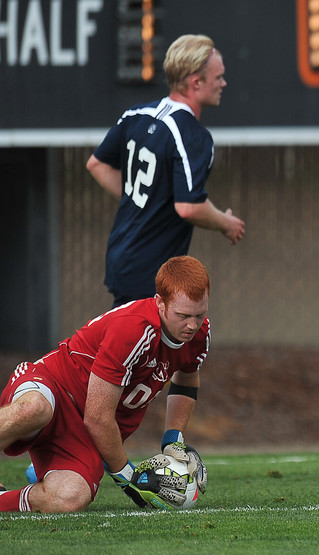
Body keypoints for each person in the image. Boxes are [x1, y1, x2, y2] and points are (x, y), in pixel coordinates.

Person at [0, 256, 211, 513]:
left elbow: (187, 377)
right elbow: (98, 417)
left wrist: (173, 438)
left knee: (70, 497)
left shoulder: (199, 335)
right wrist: (129, 478)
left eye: (200, 314)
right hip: (54, 388)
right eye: (183, 315)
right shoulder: (132, 330)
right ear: (160, 303)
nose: (192, 325)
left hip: (85, 436)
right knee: (32, 409)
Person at [87, 34, 245, 308]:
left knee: (149, 349)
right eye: (218, 77)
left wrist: (143, 202)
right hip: (150, 271)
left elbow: (96, 164)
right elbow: (189, 206)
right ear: (196, 82)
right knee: (138, 350)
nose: (223, 83)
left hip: (121, 257)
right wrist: (226, 224)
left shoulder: (136, 115)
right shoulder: (193, 136)